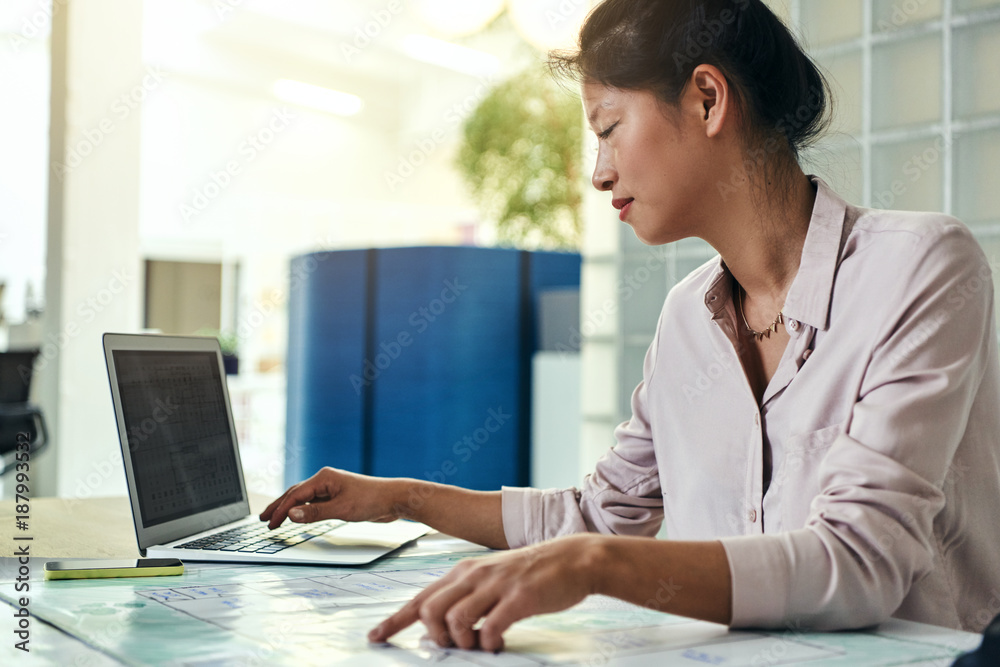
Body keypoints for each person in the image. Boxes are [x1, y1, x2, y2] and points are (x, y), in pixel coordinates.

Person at [261, 0, 1000, 653]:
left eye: (609, 129)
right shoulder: (688, 317)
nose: (599, 173)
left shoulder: (921, 266)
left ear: (708, 100)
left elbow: (859, 562)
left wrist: (594, 566)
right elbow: (597, 516)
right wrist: (398, 499)